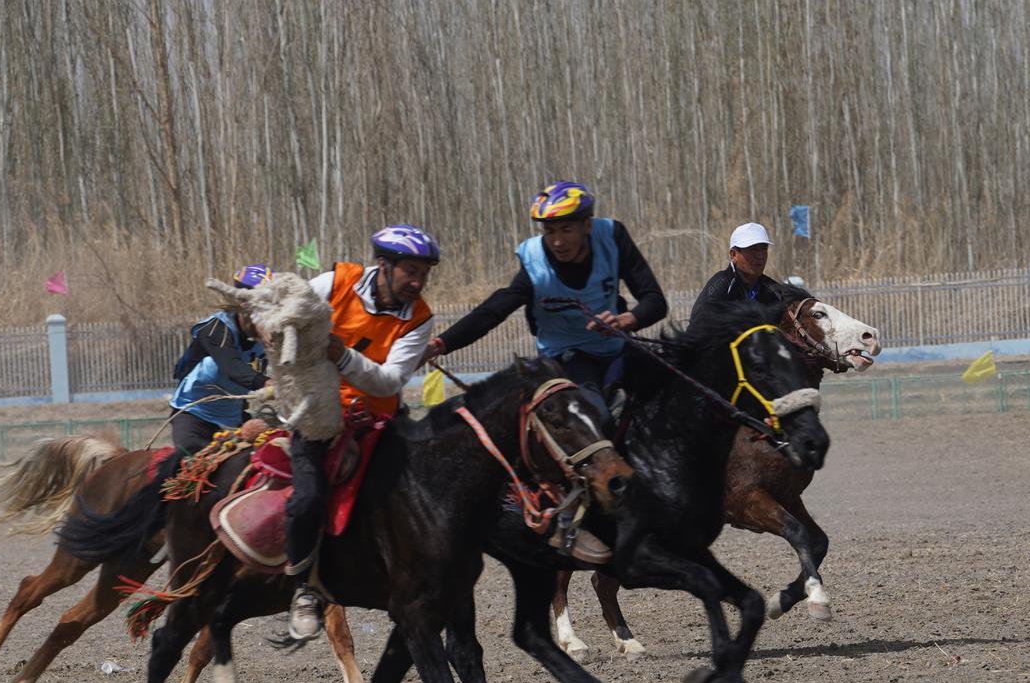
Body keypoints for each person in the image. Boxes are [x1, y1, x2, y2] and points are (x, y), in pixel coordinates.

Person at [282, 226, 441, 642]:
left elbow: (389, 381)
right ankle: (303, 588)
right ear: (383, 265)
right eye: (410, 271)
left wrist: (343, 356)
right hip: (318, 416)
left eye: (424, 274)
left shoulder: (420, 318)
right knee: (307, 499)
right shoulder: (333, 283)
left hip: (381, 420)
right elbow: (289, 316)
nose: (418, 282)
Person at [425, 181, 667, 406]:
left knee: (667, 398)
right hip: (565, 357)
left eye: (566, 230)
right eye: (550, 232)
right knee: (596, 417)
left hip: (618, 347)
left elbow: (655, 300)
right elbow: (492, 311)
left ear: (587, 225)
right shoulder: (535, 263)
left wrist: (628, 319)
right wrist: (439, 344)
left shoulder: (612, 237)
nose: (558, 242)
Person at [166, 263, 271, 455]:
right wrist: (269, 383)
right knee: (190, 462)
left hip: (235, 419)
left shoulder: (270, 336)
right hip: (194, 416)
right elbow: (232, 367)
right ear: (242, 304)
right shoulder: (216, 328)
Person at [691, 222, 790, 321]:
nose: (760, 256)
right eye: (753, 250)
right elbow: (697, 324)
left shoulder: (774, 291)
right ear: (733, 255)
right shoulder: (721, 284)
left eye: (764, 249)